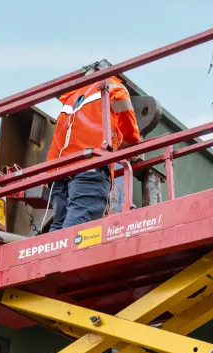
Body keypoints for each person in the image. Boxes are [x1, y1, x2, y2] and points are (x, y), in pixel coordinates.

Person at [46, 65, 142, 232]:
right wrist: (129, 145)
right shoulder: (112, 85)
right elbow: (131, 135)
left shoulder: (72, 97)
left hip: (58, 172)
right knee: (80, 223)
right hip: (90, 164)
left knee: (59, 226)